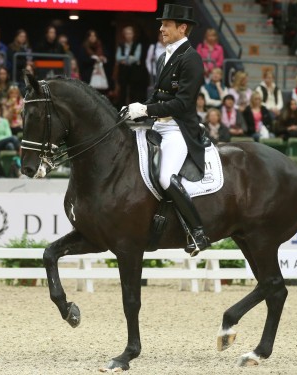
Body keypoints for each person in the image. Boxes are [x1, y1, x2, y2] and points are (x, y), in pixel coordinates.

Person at [126, 4, 210, 254]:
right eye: (162, 24)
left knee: (165, 177)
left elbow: (183, 103)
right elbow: (158, 96)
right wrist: (135, 108)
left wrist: (147, 110)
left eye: (166, 24)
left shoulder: (192, 58)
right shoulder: (164, 56)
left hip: (178, 129)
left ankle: (198, 232)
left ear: (182, 28)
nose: (161, 28)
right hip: (158, 126)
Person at [116, 26, 146, 108]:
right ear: (124, 35)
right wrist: (129, 57)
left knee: (134, 92)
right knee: (123, 92)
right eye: (127, 33)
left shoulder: (137, 45)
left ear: (133, 35)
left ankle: (133, 112)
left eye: (130, 33)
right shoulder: (121, 45)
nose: (128, 35)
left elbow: (136, 57)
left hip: (134, 72)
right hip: (123, 72)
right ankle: (121, 111)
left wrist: (124, 60)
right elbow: (118, 58)